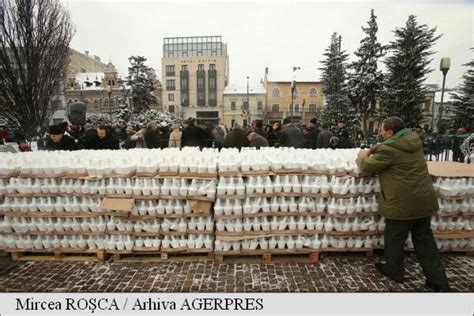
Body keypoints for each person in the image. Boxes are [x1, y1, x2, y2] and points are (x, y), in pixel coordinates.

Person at [355, 116, 450, 292]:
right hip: (423, 200)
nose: (380, 133)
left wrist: (362, 156)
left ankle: (394, 270)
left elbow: (367, 167)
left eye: (381, 130)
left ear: (390, 132)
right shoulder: (413, 141)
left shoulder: (389, 149)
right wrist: (375, 148)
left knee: (394, 238)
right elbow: (390, 148)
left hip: (402, 203)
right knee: (425, 242)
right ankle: (438, 280)